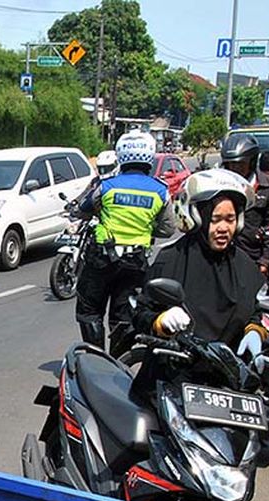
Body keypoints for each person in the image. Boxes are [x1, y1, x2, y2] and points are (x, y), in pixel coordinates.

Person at [131, 169, 265, 386]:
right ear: (197, 218)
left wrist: (255, 332)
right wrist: (161, 321)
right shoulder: (170, 260)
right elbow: (140, 314)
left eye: (230, 219)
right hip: (172, 375)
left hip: (225, 380)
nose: (224, 228)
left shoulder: (246, 267)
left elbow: (255, 312)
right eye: (216, 219)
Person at [73, 130, 177, 352]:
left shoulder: (107, 185)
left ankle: (95, 357)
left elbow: (84, 210)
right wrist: (147, 229)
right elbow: (168, 228)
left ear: (121, 155)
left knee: (89, 310)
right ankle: (118, 364)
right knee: (124, 317)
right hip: (135, 263)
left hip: (101, 260)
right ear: (149, 156)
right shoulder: (160, 191)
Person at [220, 133, 269, 276]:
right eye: (231, 164)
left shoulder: (267, 186)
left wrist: (265, 262)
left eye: (240, 163)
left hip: (252, 258)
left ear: (252, 161)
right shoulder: (218, 185)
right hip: (222, 257)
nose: (235, 168)